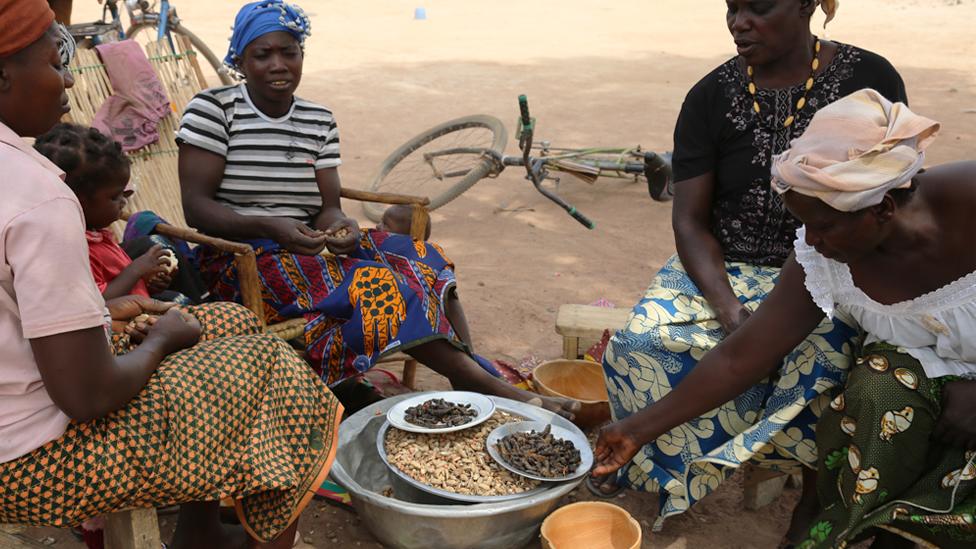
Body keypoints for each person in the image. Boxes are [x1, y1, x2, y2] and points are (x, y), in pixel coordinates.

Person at [0, 3, 343, 547]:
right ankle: (270, 538)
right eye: (55, 61)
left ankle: (200, 530)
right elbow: (88, 396)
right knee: (271, 365)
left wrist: (113, 311)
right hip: (32, 459)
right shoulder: (37, 197)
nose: (68, 76)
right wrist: (159, 340)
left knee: (227, 321)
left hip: (22, 400)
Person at [594, 88, 976, 549]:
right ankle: (878, 525)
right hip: (934, 371)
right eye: (805, 225)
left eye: (825, 226)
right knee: (879, 389)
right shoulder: (823, 258)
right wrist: (636, 429)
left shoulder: (968, 199)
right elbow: (742, 357)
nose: (810, 242)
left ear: (883, 209)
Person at [597, 0, 908, 538]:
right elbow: (690, 222)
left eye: (758, 6)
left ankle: (812, 493)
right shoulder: (710, 95)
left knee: (829, 362)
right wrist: (728, 307)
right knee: (640, 346)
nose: (739, 21)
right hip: (726, 266)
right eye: (731, 7)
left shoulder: (869, 80)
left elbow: (891, 196)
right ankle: (665, 466)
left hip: (832, 262)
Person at [176, 0, 576, 417]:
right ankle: (476, 380)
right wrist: (271, 226)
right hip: (239, 256)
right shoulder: (215, 110)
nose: (278, 64)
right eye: (262, 55)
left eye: (288, 52)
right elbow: (196, 209)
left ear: (301, 56)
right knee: (376, 284)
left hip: (305, 243)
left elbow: (327, 209)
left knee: (425, 258)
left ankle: (465, 368)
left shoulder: (318, 119)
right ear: (240, 60)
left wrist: (343, 226)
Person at [32, 123, 198, 303]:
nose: (123, 201)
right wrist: (135, 270)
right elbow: (97, 301)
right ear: (76, 201)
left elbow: (117, 282)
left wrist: (146, 282)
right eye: (113, 197)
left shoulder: (98, 236)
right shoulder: (76, 250)